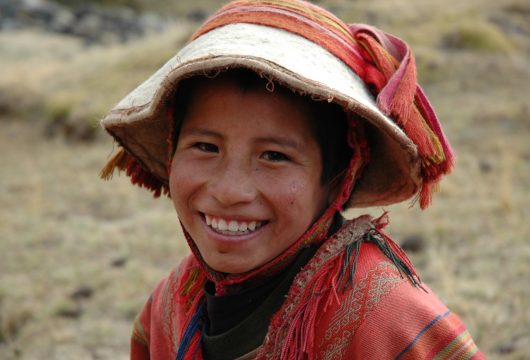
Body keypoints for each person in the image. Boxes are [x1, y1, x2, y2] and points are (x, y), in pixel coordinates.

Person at [100, 0, 484, 359]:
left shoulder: (389, 317)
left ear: (338, 179)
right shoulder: (172, 303)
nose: (230, 191)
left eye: (274, 156)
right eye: (205, 147)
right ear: (171, 151)